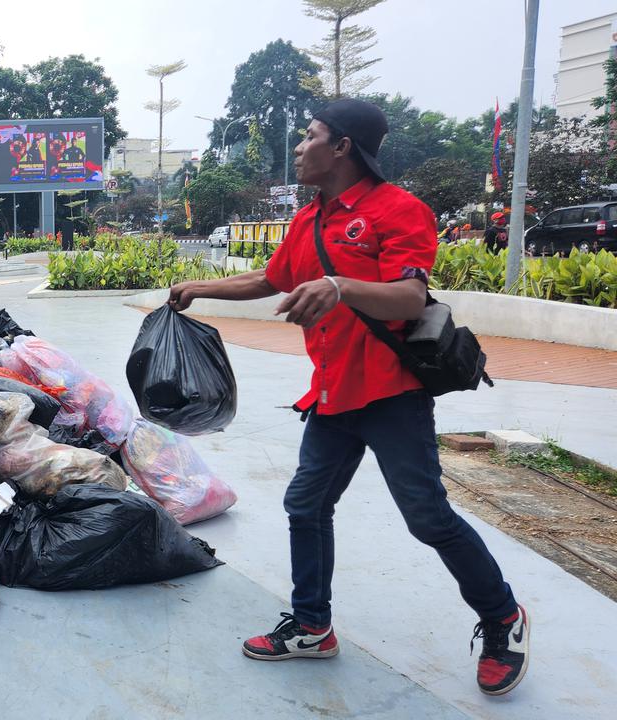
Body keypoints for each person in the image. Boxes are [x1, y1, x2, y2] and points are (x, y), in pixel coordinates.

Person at [168, 98, 528, 697]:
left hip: (390, 392)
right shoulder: (309, 220)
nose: (301, 147)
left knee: (427, 517)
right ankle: (312, 626)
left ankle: (503, 617)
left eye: (311, 136)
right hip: (332, 395)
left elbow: (411, 299)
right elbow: (269, 279)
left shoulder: (398, 210)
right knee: (305, 505)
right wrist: (197, 288)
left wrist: (340, 286)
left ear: (341, 147)